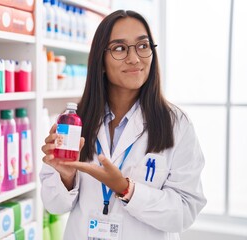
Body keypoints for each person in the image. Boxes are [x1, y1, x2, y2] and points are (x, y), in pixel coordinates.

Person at [40, 10, 207, 240]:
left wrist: (126, 189)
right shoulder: (74, 121)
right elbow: (54, 205)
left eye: (143, 46)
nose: (134, 58)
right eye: (120, 48)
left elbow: (184, 212)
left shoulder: (177, 124)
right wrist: (66, 178)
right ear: (100, 60)